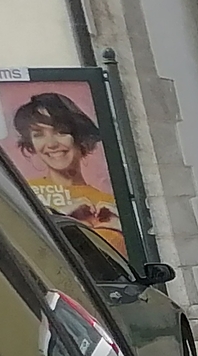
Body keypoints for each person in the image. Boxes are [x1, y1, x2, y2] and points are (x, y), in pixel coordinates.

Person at [10, 94, 124, 252]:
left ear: (80, 137)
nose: (51, 144)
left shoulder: (110, 204)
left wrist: (122, 227)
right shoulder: (23, 192)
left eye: (61, 132)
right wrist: (59, 219)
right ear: (30, 145)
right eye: (38, 135)